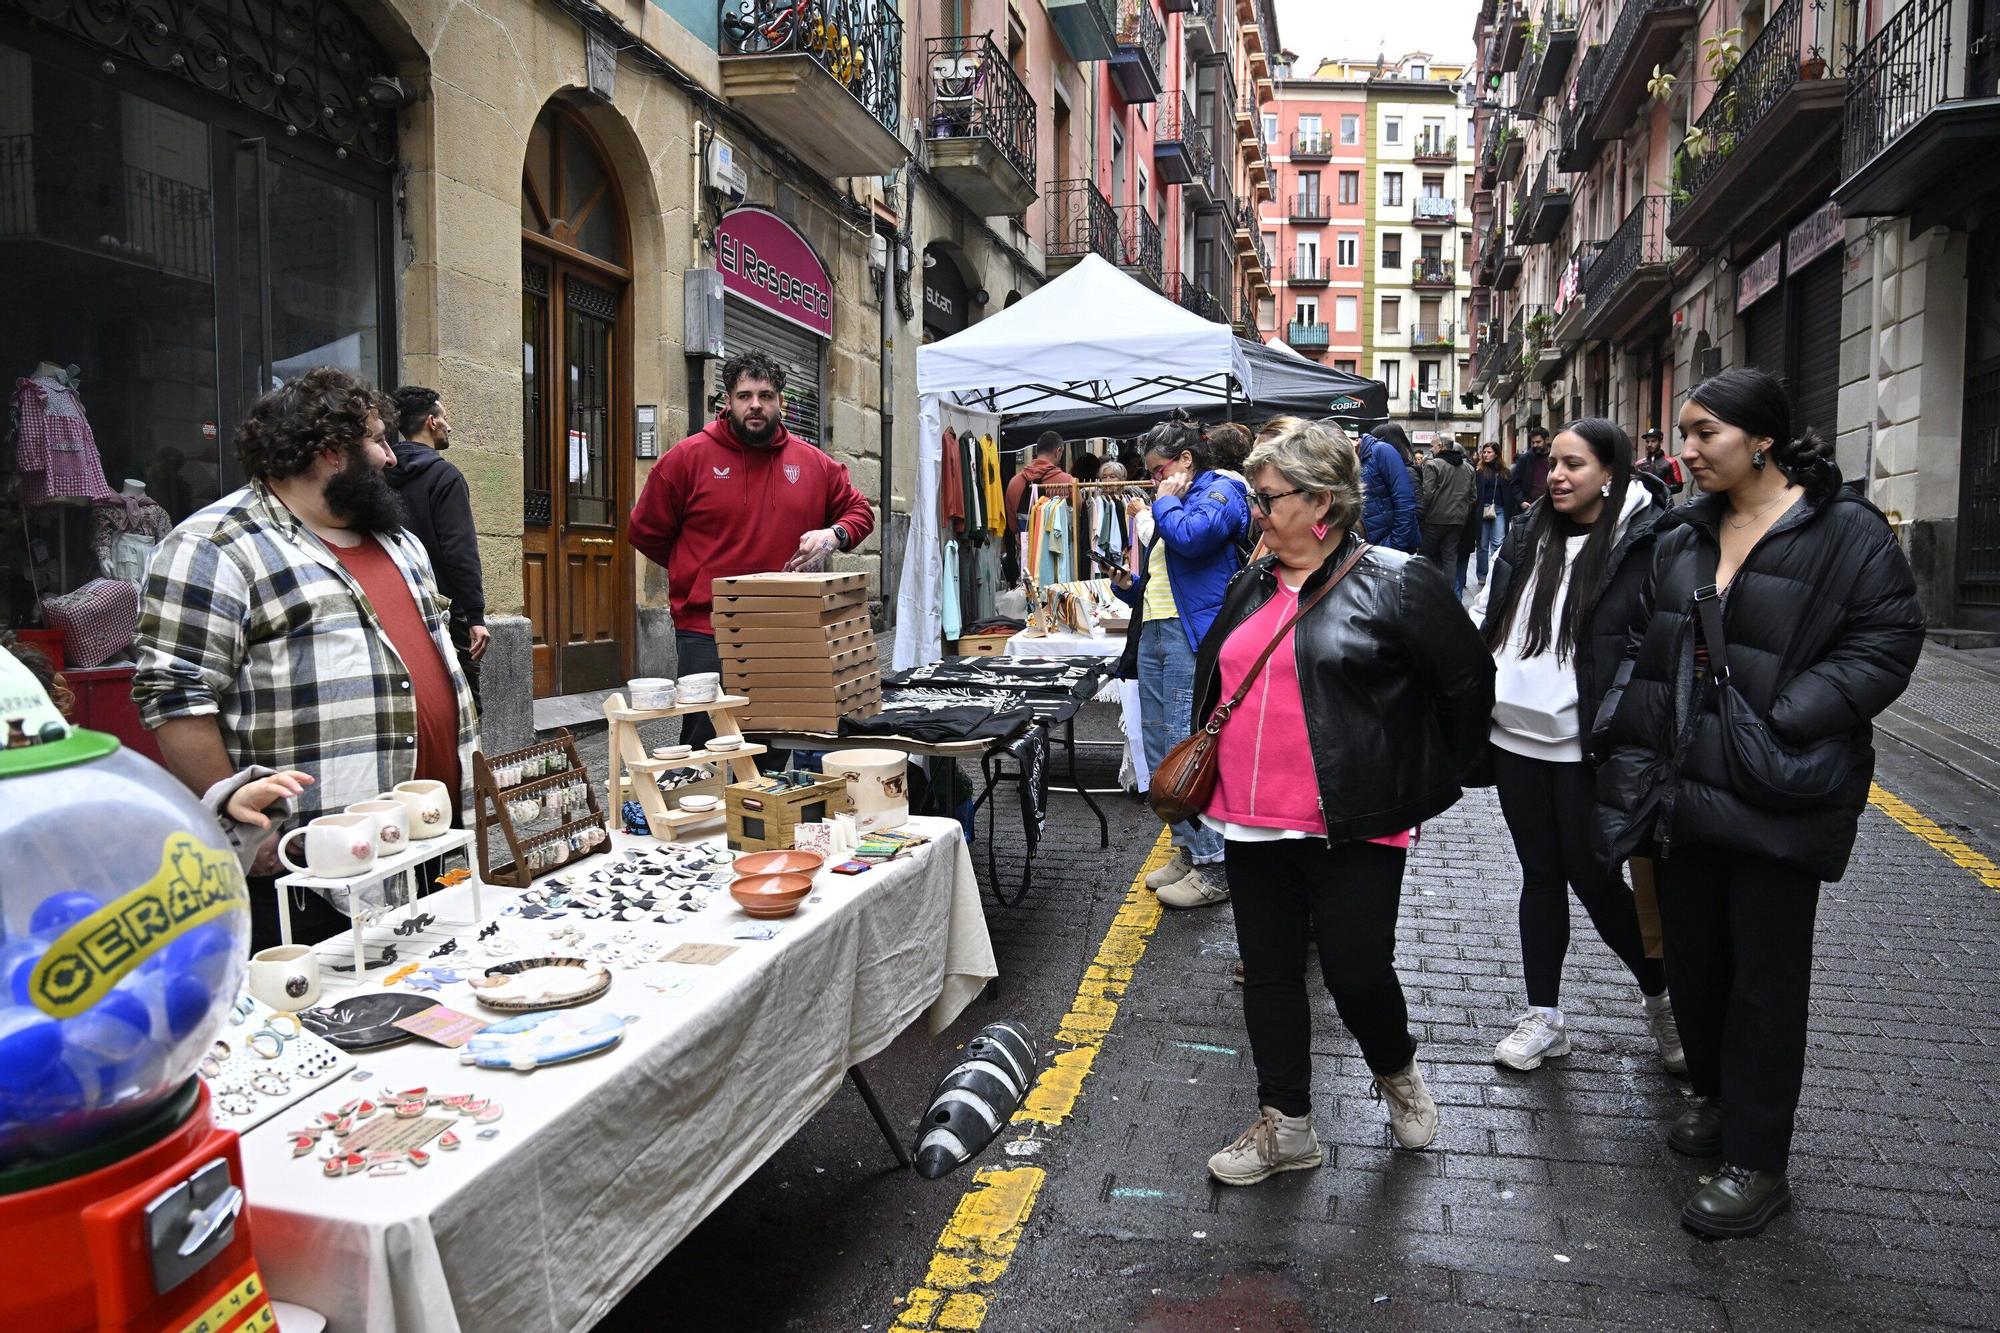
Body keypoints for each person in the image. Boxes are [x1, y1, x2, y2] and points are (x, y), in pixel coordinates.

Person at [1595, 368, 1923, 1238]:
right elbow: (1642, 640)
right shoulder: (1683, 531)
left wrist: (1788, 715)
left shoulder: (1845, 530)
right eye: (1685, 434)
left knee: (1766, 984)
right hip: (1683, 788)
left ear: (1763, 438)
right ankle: (1711, 1096)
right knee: (1697, 962)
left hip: (1778, 787)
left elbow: (1889, 639)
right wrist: (1627, 732)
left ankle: (1758, 1160)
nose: (1686, 450)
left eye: (1704, 433)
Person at [1196, 416, 1494, 1184]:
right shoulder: (1250, 580)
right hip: (1254, 817)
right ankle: (1286, 1125)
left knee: (1357, 973)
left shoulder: (1397, 581)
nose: (1255, 511)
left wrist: (1418, 780)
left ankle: (1397, 1072)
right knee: (1267, 972)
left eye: (1267, 498)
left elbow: (1465, 685)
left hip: (1355, 818)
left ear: (1321, 503)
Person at [134, 366, 479, 952]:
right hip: (312, 867)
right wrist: (242, 821)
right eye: (376, 440)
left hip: (433, 842)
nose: (392, 458)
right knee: (332, 1023)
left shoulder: (400, 542)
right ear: (329, 453)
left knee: (442, 1004)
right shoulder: (214, 548)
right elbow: (175, 700)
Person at [1473, 419, 1683, 1076]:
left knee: (1595, 879)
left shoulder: (1646, 544)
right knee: (1540, 875)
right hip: (1514, 736)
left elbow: (1651, 645)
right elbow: (1492, 612)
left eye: (1575, 465)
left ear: (1611, 473)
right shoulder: (1528, 532)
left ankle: (1663, 1000)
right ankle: (1545, 1017)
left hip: (1586, 743)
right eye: (1554, 463)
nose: (1558, 476)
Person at [628, 350, 875, 748]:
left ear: (781, 401)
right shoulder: (687, 459)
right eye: (745, 395)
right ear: (727, 400)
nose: (755, 404)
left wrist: (834, 535)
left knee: (774, 740)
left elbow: (860, 511)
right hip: (706, 628)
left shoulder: (814, 464)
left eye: (765, 395)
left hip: (785, 626)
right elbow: (644, 530)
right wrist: (694, 570)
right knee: (703, 744)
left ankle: (764, 811)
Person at [1112, 421, 1250, 909]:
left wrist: (1163, 503)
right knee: (1156, 746)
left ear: (1186, 460)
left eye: (1158, 469)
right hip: (1156, 627)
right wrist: (1127, 582)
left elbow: (1193, 538)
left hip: (1190, 634)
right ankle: (1189, 849)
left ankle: (1214, 866)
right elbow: (1168, 566)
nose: (1154, 480)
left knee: (1181, 743)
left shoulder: (1223, 489)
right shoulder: (1179, 499)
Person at [387, 386, 489, 702]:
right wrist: (475, 616)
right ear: (431, 422)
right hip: (443, 606)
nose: (449, 425)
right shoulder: (445, 477)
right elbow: (460, 551)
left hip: (393, 603)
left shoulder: (379, 474)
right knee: (462, 700)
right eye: (445, 417)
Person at [1418, 437, 1476, 592]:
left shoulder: (1433, 465)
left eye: (1432, 445)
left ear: (1441, 446)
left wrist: (1421, 515)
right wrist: (1462, 512)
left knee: (1425, 556)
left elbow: (1427, 494)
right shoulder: (1469, 468)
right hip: (1458, 520)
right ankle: (1449, 594)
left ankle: (1423, 591)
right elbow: (1472, 497)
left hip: (1434, 519)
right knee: (1450, 557)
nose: (1430, 449)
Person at [1356, 429, 1421, 552]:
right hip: (1369, 549)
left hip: (1390, 547)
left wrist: (1395, 545)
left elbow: (1406, 502)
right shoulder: (1350, 462)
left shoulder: (1381, 451)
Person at [1004, 431, 1075, 538]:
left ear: (1038, 450)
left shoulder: (1014, 482)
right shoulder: (1068, 481)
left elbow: (1013, 527)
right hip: (1057, 550)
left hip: (1026, 550)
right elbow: (1077, 521)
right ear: (1058, 451)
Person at [1472, 442, 1518, 585]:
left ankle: (1495, 573)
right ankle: (1482, 576)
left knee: (1498, 543)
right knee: (1483, 544)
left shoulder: (1505, 472)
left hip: (1499, 509)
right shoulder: (1478, 471)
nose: (1485, 455)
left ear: (1496, 454)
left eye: (1489, 452)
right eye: (1484, 452)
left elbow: (1510, 492)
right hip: (1482, 510)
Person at [1511, 426, 1552, 513]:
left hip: (1552, 505)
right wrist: (1521, 501)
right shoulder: (1525, 459)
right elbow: (1514, 483)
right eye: (1533, 442)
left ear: (1547, 440)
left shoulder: (1555, 456)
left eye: (1538, 442)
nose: (1535, 445)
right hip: (1531, 506)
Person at [1637, 427, 1686, 497]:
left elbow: (1678, 486)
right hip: (1642, 503)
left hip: (1662, 504)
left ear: (1660, 442)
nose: (1649, 444)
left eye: (1653, 441)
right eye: (1647, 441)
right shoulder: (1639, 464)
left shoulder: (1671, 462)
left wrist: (1659, 489)